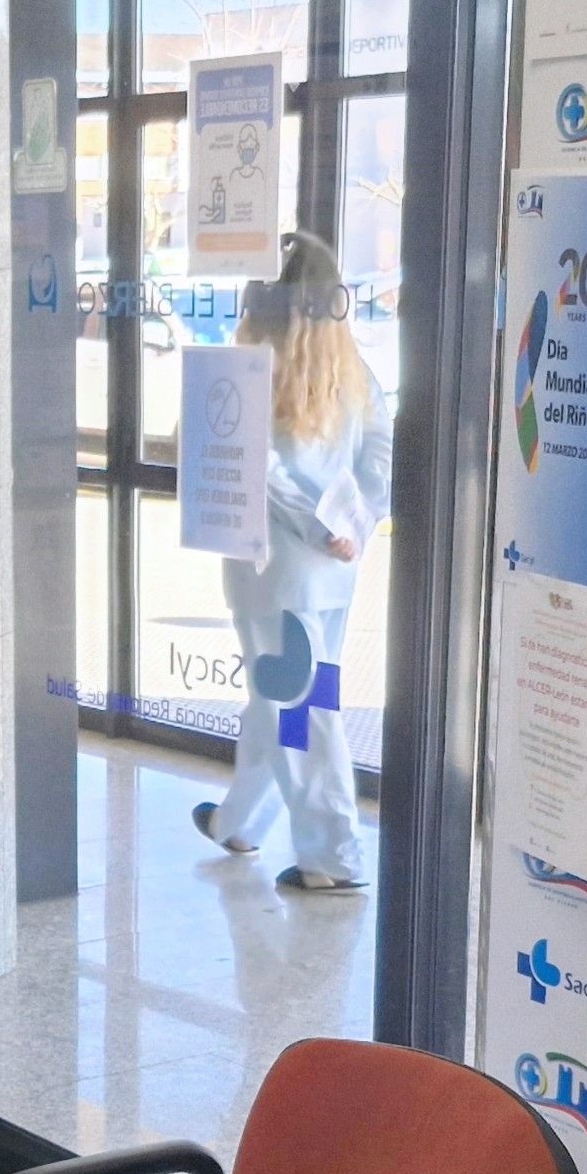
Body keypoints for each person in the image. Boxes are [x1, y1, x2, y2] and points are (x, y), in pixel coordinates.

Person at [195, 231, 387, 891]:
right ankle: (238, 820)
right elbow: (380, 456)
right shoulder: (356, 373)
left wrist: (318, 524)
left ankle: (333, 856)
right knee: (288, 698)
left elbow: (261, 471)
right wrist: (354, 525)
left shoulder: (250, 370)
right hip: (335, 570)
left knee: (301, 712)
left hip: (276, 572)